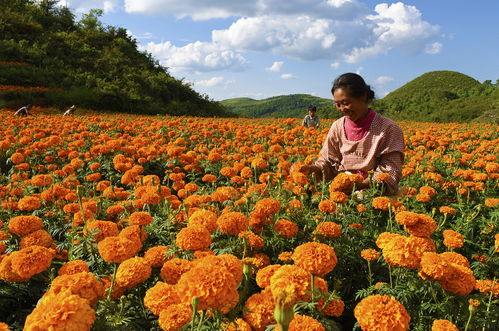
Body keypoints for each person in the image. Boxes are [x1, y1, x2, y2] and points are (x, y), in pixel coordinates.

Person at [293, 73, 405, 196]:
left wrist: (361, 184)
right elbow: (328, 162)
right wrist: (313, 169)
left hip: (375, 194)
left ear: (363, 96)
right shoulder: (337, 127)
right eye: (337, 104)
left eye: (345, 103)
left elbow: (390, 171)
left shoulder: (388, 129)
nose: (342, 109)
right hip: (342, 191)